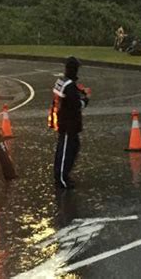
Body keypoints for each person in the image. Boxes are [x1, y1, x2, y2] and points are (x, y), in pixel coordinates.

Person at [52, 57, 89, 189]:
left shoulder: (62, 82)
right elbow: (76, 104)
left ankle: (63, 175)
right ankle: (61, 178)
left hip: (63, 121)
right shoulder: (69, 86)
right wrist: (85, 100)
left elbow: (61, 99)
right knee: (66, 151)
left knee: (71, 148)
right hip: (69, 124)